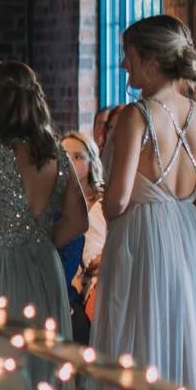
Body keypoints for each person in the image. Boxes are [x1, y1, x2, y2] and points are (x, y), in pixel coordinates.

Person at [94, 16, 196, 390]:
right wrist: (182, 211)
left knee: (139, 338)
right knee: (186, 341)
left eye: (128, 57)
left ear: (151, 61)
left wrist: (129, 210)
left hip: (141, 236)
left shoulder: (137, 115)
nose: (124, 67)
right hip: (189, 236)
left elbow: (116, 199)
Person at [0, 62, 88, 337]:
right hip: (44, 267)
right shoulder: (58, 154)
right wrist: (41, 240)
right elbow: (79, 221)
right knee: (40, 357)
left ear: (2, 105)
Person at [59, 130, 108, 336]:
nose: (70, 162)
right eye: (64, 157)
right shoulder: (53, 206)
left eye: (78, 157)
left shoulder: (104, 204)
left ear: (91, 163)